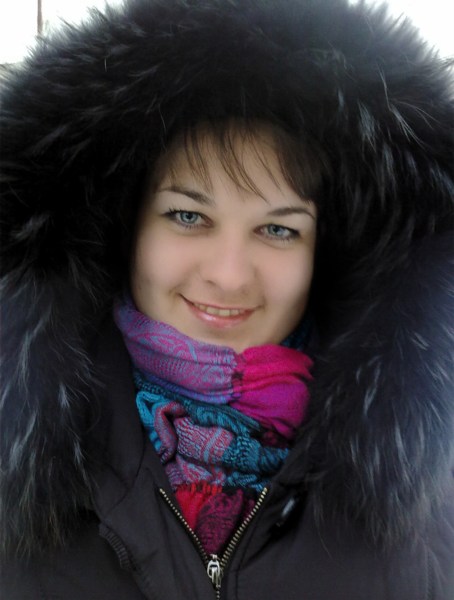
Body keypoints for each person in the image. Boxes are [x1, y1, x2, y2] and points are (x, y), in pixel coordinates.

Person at [0, 0, 453, 598]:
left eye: (278, 229)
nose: (230, 276)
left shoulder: (427, 500)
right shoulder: (20, 470)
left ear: (325, 250)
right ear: (126, 226)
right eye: (188, 216)